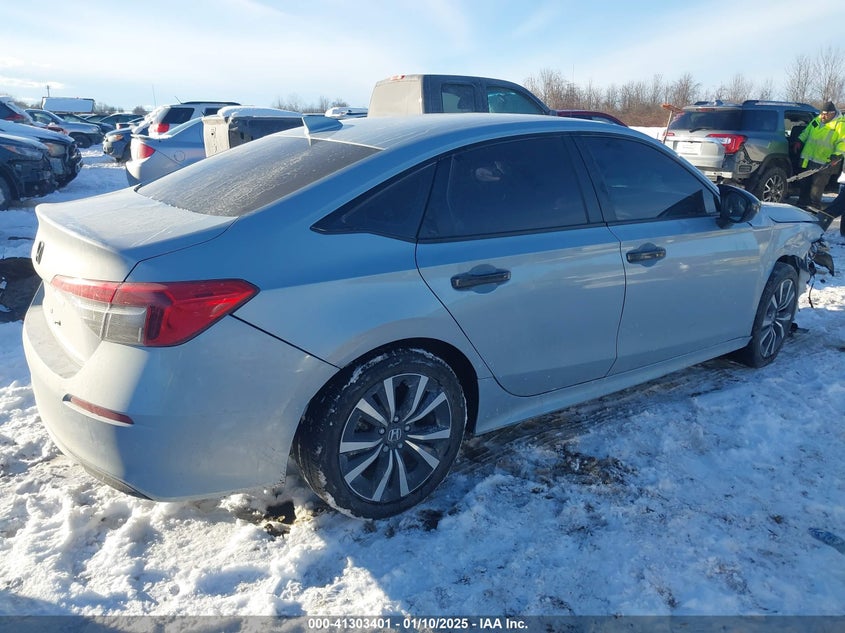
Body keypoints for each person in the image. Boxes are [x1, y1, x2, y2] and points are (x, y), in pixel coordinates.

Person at [795, 101, 842, 210]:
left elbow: (842, 142)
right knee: (804, 182)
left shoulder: (840, 124)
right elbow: (807, 132)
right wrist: (799, 140)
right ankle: (802, 204)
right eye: (822, 113)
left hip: (825, 161)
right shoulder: (817, 120)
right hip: (808, 158)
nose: (823, 116)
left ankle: (814, 207)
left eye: (826, 114)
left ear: (832, 113)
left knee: (817, 186)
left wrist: (837, 155)